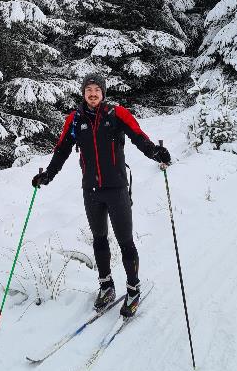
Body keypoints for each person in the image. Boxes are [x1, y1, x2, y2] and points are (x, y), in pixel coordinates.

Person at [32, 73, 171, 318]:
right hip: (91, 191)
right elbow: (62, 150)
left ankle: (133, 288)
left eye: (97, 89)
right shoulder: (75, 120)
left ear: (103, 92)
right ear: (83, 93)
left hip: (116, 189)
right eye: (89, 90)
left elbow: (138, 136)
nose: (93, 93)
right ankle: (106, 286)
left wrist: (155, 152)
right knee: (99, 239)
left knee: (125, 241)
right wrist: (47, 176)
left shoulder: (116, 114)